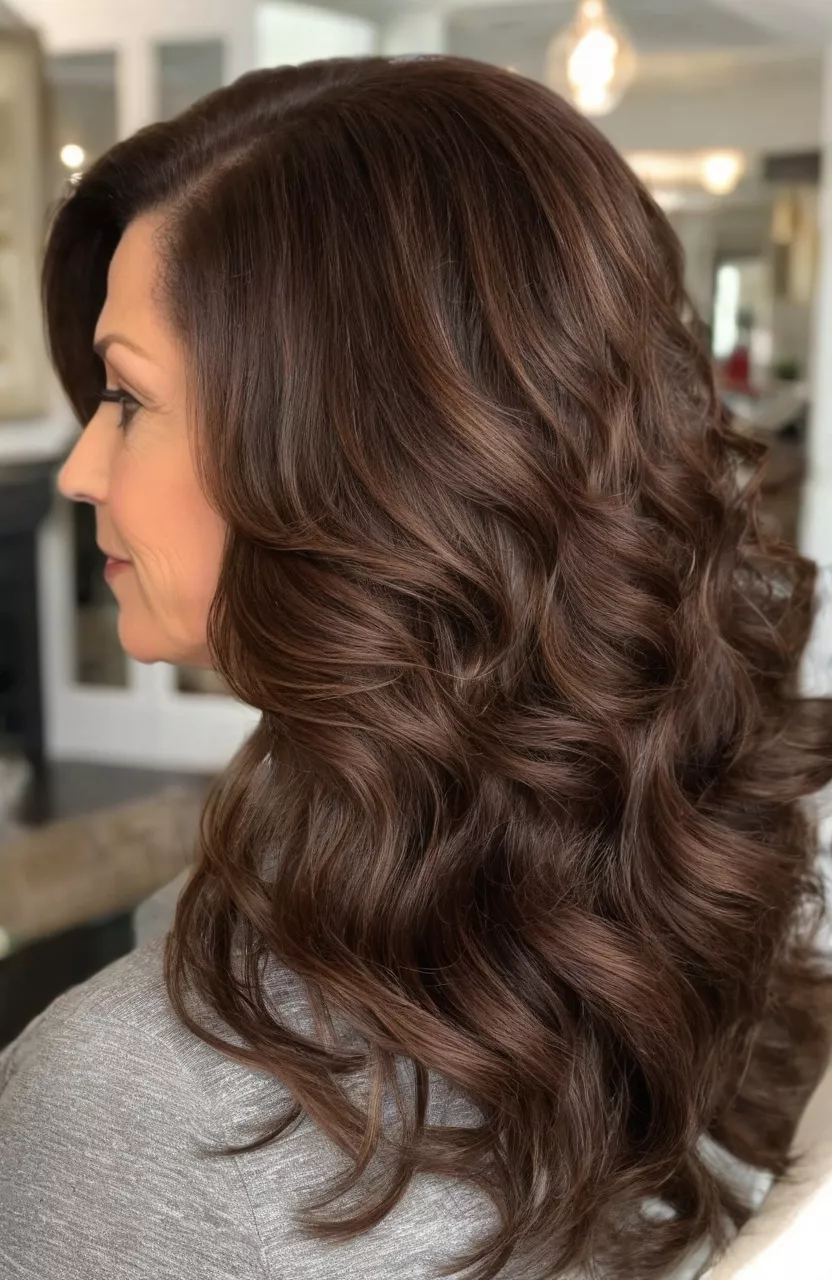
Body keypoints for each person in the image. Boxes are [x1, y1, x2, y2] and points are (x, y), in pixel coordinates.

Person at [1, 54, 831, 1280]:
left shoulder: (133, 1108)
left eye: (125, 395)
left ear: (351, 464)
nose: (78, 469)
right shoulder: (711, 853)